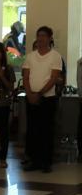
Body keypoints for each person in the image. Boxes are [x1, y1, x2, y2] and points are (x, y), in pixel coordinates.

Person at [22, 26, 62, 173]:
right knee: (33, 129)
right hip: (31, 97)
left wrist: (39, 93)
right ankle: (33, 160)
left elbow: (53, 78)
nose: (41, 38)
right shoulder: (30, 56)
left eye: (44, 36)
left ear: (50, 38)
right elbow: (25, 77)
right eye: (39, 35)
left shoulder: (55, 56)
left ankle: (46, 161)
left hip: (47, 98)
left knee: (46, 130)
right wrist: (30, 93)